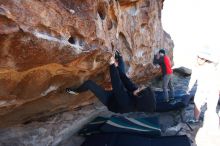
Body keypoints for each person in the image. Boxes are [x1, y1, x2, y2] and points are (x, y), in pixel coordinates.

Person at [66, 50, 156, 113]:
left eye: (140, 90)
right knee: (120, 62)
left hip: (109, 100)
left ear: (140, 98)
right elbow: (125, 80)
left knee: (89, 84)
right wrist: (116, 65)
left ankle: (75, 92)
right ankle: (118, 58)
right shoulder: (136, 93)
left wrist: (112, 65)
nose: (138, 88)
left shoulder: (127, 104)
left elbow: (118, 87)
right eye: (141, 88)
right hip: (117, 95)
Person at [187, 47, 219, 125]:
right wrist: (188, 88)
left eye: (202, 58)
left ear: (206, 59)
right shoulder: (196, 66)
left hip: (213, 90)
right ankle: (196, 119)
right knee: (197, 104)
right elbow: (193, 78)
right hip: (201, 89)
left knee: (211, 108)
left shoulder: (213, 67)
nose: (199, 59)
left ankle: (211, 126)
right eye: (199, 57)